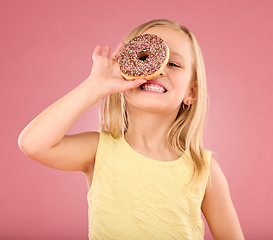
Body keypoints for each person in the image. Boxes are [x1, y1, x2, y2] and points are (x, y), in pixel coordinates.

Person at [18, 19, 244, 240]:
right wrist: (95, 86)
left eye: (173, 64)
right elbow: (33, 144)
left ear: (191, 93)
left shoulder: (203, 168)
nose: (157, 70)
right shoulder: (98, 150)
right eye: (145, 58)